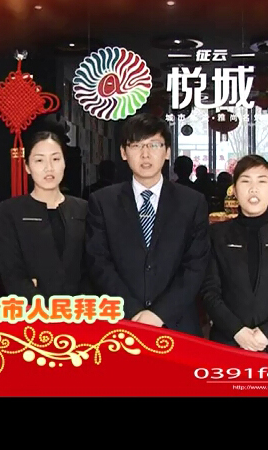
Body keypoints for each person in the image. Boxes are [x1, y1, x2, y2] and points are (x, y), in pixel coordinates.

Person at [86, 113, 210, 336]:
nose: (145, 154)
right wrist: (134, 312)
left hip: (178, 325)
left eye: (154, 145)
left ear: (167, 151)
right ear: (123, 152)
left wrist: (159, 314)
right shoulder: (102, 202)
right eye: (136, 145)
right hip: (121, 323)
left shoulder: (192, 202)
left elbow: (196, 266)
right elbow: (99, 263)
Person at [201, 155, 268, 355]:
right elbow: (209, 291)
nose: (253, 189)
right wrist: (237, 331)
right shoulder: (217, 234)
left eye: (261, 181)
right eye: (245, 181)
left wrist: (267, 333)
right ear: (234, 190)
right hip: (228, 344)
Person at [0, 129, 89, 301]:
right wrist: (44, 307)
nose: (49, 168)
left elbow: (93, 266)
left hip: (79, 310)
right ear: (27, 166)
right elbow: (11, 272)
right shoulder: (11, 211)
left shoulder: (83, 209)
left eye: (55, 159)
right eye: (39, 160)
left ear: (64, 163)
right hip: (32, 310)